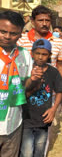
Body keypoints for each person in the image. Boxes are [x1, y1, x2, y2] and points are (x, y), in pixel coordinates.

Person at [19, 39, 62, 157]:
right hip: (26, 120)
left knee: (39, 151)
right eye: (37, 53)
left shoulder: (53, 72)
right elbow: (20, 92)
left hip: (44, 121)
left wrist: (53, 109)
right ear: (32, 53)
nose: (40, 57)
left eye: (44, 54)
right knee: (27, 152)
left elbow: (60, 91)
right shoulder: (26, 70)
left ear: (49, 55)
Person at [0, 11, 33, 157]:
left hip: (13, 125)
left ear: (20, 34)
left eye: (13, 33)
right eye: (2, 31)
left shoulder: (25, 56)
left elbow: (27, 88)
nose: (7, 36)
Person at [17, 5, 62, 80]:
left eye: (47, 20)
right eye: (40, 20)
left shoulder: (58, 42)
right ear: (33, 21)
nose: (44, 24)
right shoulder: (21, 40)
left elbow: (61, 66)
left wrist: (60, 88)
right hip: (24, 86)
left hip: (49, 88)